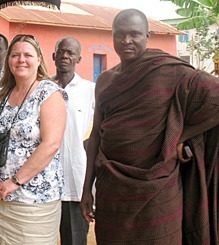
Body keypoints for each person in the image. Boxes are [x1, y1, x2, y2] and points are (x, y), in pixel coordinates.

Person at [80, 9, 219, 244]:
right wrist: (86, 191)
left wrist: (179, 136)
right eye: (119, 35)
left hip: (157, 190)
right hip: (111, 190)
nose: (126, 41)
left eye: (134, 34)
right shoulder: (105, 80)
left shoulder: (171, 72)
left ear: (148, 36)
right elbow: (96, 137)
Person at [0, 34, 68, 244]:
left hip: (34, 202)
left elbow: (51, 144)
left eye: (28, 55)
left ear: (38, 60)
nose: (21, 60)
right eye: (15, 55)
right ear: (8, 60)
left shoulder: (49, 93)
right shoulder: (2, 96)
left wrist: (15, 181)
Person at [51, 37, 95, 245]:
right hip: (44, 184)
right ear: (53, 56)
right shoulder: (42, 89)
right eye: (61, 51)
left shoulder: (91, 91)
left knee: (75, 241)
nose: (65, 56)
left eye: (71, 53)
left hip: (76, 183)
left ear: (79, 58)